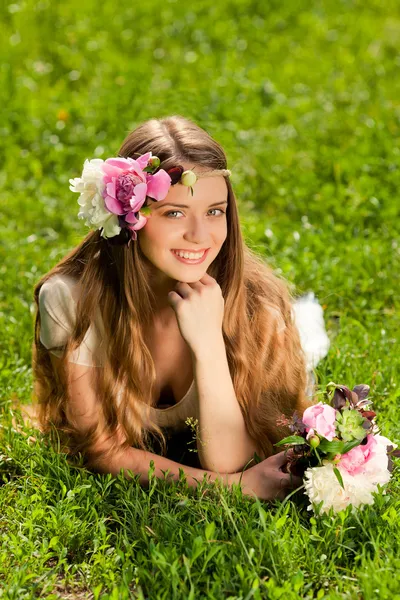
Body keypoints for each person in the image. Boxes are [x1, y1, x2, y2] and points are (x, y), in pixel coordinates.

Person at [31, 115, 329, 502]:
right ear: (129, 218)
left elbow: (228, 459)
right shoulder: (73, 301)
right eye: (174, 213)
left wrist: (207, 342)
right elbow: (98, 447)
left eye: (214, 211)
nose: (200, 235)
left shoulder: (253, 303)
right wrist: (233, 489)